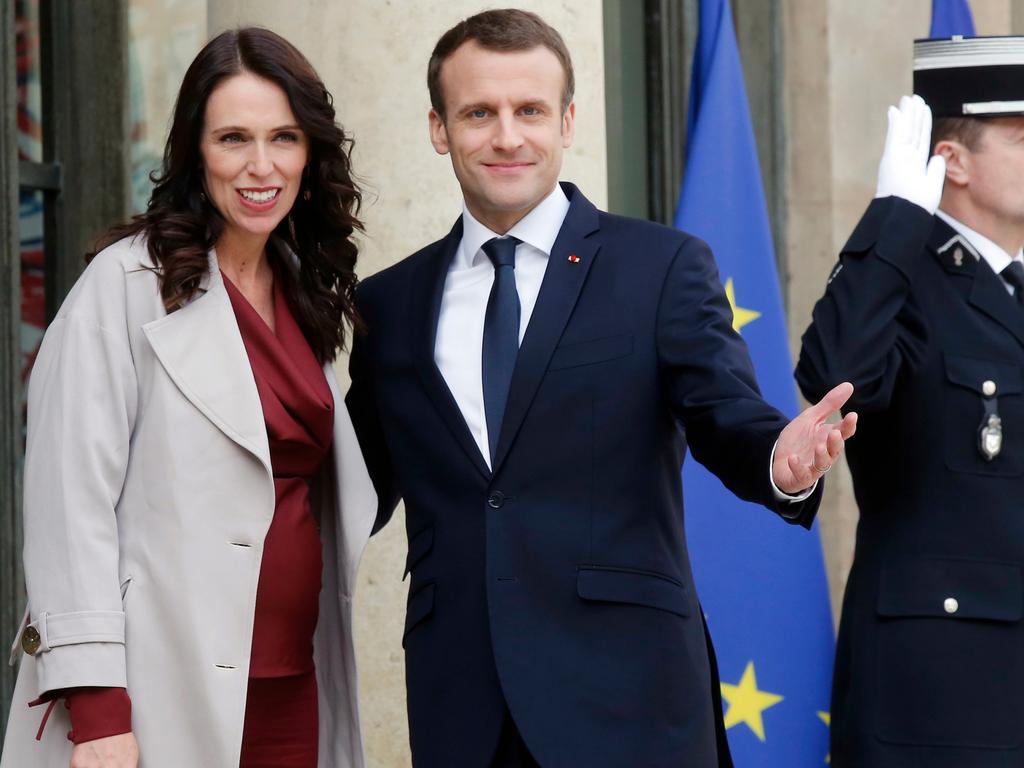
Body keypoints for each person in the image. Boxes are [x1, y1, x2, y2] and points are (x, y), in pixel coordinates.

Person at [347, 9, 856, 767]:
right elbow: (352, 485)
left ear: (569, 120)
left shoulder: (660, 266)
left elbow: (726, 415)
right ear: (438, 128)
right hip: (464, 705)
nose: (507, 136)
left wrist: (779, 461)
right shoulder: (390, 302)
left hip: (630, 700)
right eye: (479, 113)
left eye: (530, 111)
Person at [0, 27, 375, 768]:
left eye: (284, 138)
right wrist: (99, 707)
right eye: (233, 138)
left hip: (294, 682)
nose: (260, 166)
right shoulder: (124, 285)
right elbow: (69, 503)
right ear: (194, 153)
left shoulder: (304, 290)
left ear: (311, 152)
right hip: (156, 689)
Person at [797, 36, 1024, 768]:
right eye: (1023, 139)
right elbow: (834, 376)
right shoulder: (904, 283)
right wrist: (895, 217)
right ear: (952, 160)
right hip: (942, 697)